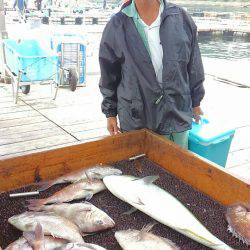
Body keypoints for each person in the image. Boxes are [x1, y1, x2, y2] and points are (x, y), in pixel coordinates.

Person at [99, 0, 205, 149]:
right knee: (140, 167)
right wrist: (110, 113)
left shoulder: (181, 18)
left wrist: (196, 101)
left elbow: (194, 64)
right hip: (137, 118)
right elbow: (108, 73)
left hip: (177, 113)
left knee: (178, 165)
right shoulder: (116, 25)